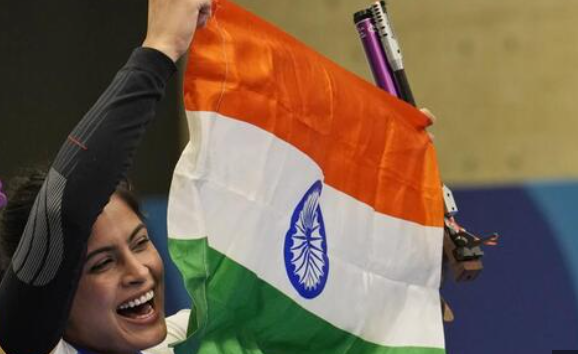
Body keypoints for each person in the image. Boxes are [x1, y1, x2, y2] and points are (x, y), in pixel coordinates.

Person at [0, 0, 212, 353]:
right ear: (54, 296)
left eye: (141, 242)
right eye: (102, 264)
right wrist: (160, 48)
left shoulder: (190, 339)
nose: (139, 272)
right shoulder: (24, 343)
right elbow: (63, 211)